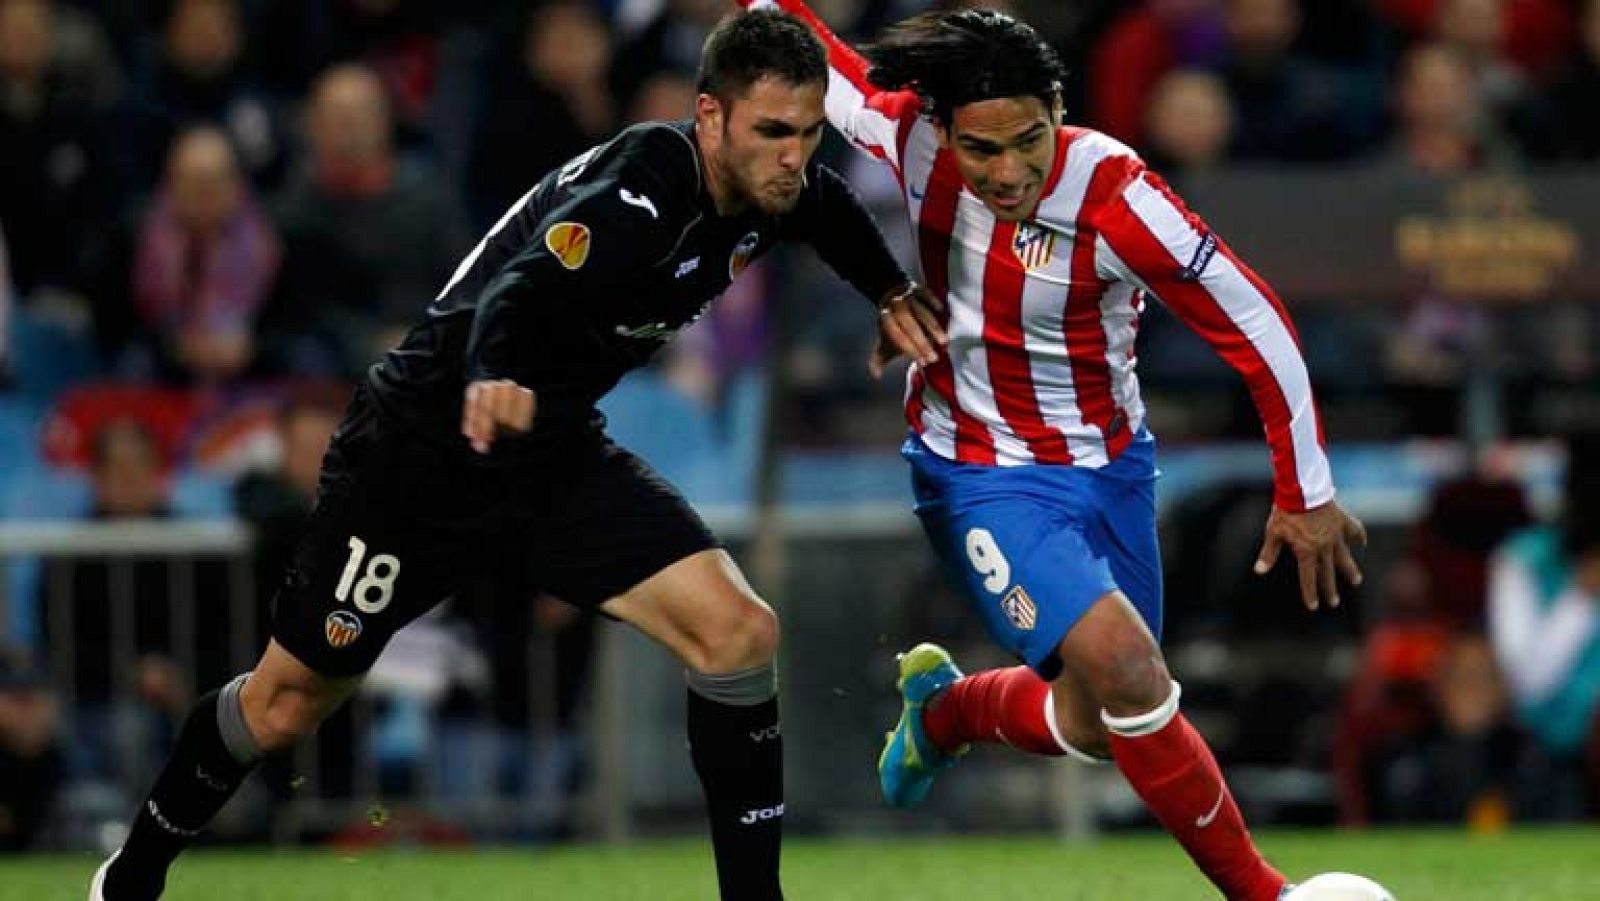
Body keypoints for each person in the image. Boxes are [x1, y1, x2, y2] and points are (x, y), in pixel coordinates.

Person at [88, 9, 937, 900]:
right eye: (772, 132)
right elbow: (522, 282)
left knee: (738, 630)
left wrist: (887, 288)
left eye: (806, 133)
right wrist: (494, 368)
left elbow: (825, 204)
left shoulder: (772, 184)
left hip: (547, 452)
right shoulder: (643, 188)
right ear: (710, 115)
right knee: (288, 700)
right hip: (419, 453)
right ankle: (132, 872)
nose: (793, 156)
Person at [741, 3, 1365, 899]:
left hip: (1111, 468)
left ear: (1058, 113)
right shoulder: (903, 133)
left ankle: (948, 712)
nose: (1007, 171)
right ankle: (1269, 893)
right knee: (1130, 668)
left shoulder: (1117, 193)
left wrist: (1304, 488)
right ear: (942, 131)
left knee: (1105, 720)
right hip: (976, 468)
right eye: (980, 149)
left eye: (1028, 141)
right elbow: (811, 47)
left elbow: (1254, 321)